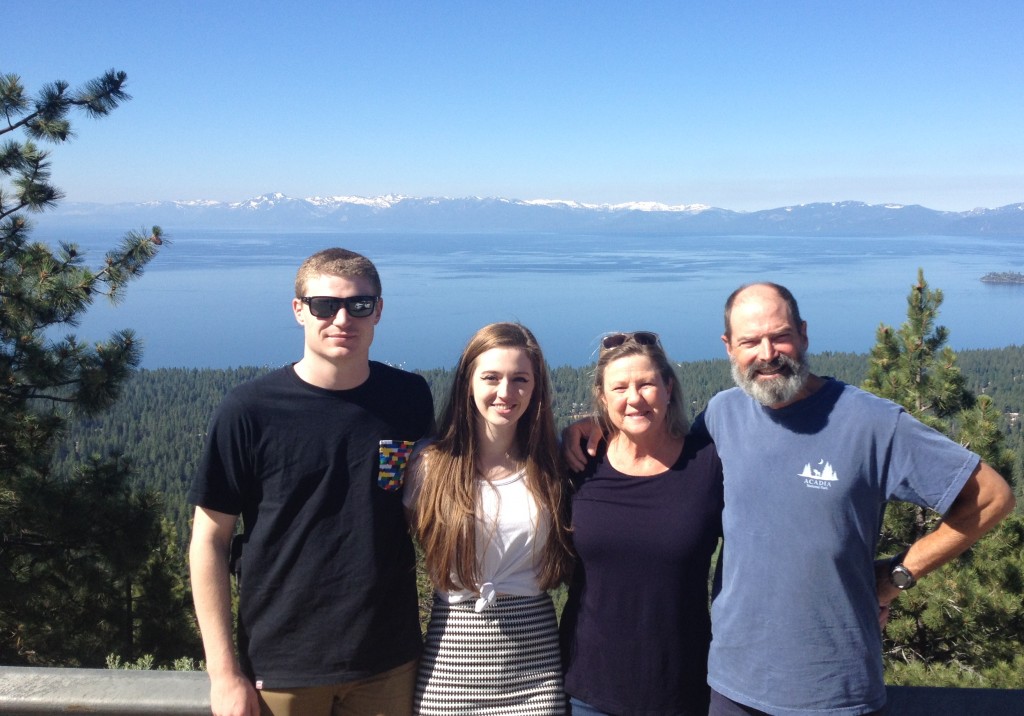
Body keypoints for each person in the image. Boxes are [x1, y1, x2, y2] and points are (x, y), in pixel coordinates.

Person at [188, 248, 434, 716]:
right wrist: (223, 674)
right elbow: (208, 540)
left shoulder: (408, 398)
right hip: (283, 665)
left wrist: (583, 430)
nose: (342, 318)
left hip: (389, 660)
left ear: (379, 310)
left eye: (359, 305)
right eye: (324, 305)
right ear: (298, 309)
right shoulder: (250, 411)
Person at [404, 322, 573, 716]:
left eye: (520, 380)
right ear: (468, 382)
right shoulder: (428, 465)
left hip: (536, 666)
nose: (505, 392)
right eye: (491, 377)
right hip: (450, 662)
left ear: (536, 388)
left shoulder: (555, 464)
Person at [559, 331, 723, 716]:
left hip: (682, 686)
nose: (634, 398)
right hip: (589, 687)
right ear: (602, 396)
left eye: (647, 383)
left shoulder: (709, 464)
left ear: (668, 388)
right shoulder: (580, 463)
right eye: (619, 387)